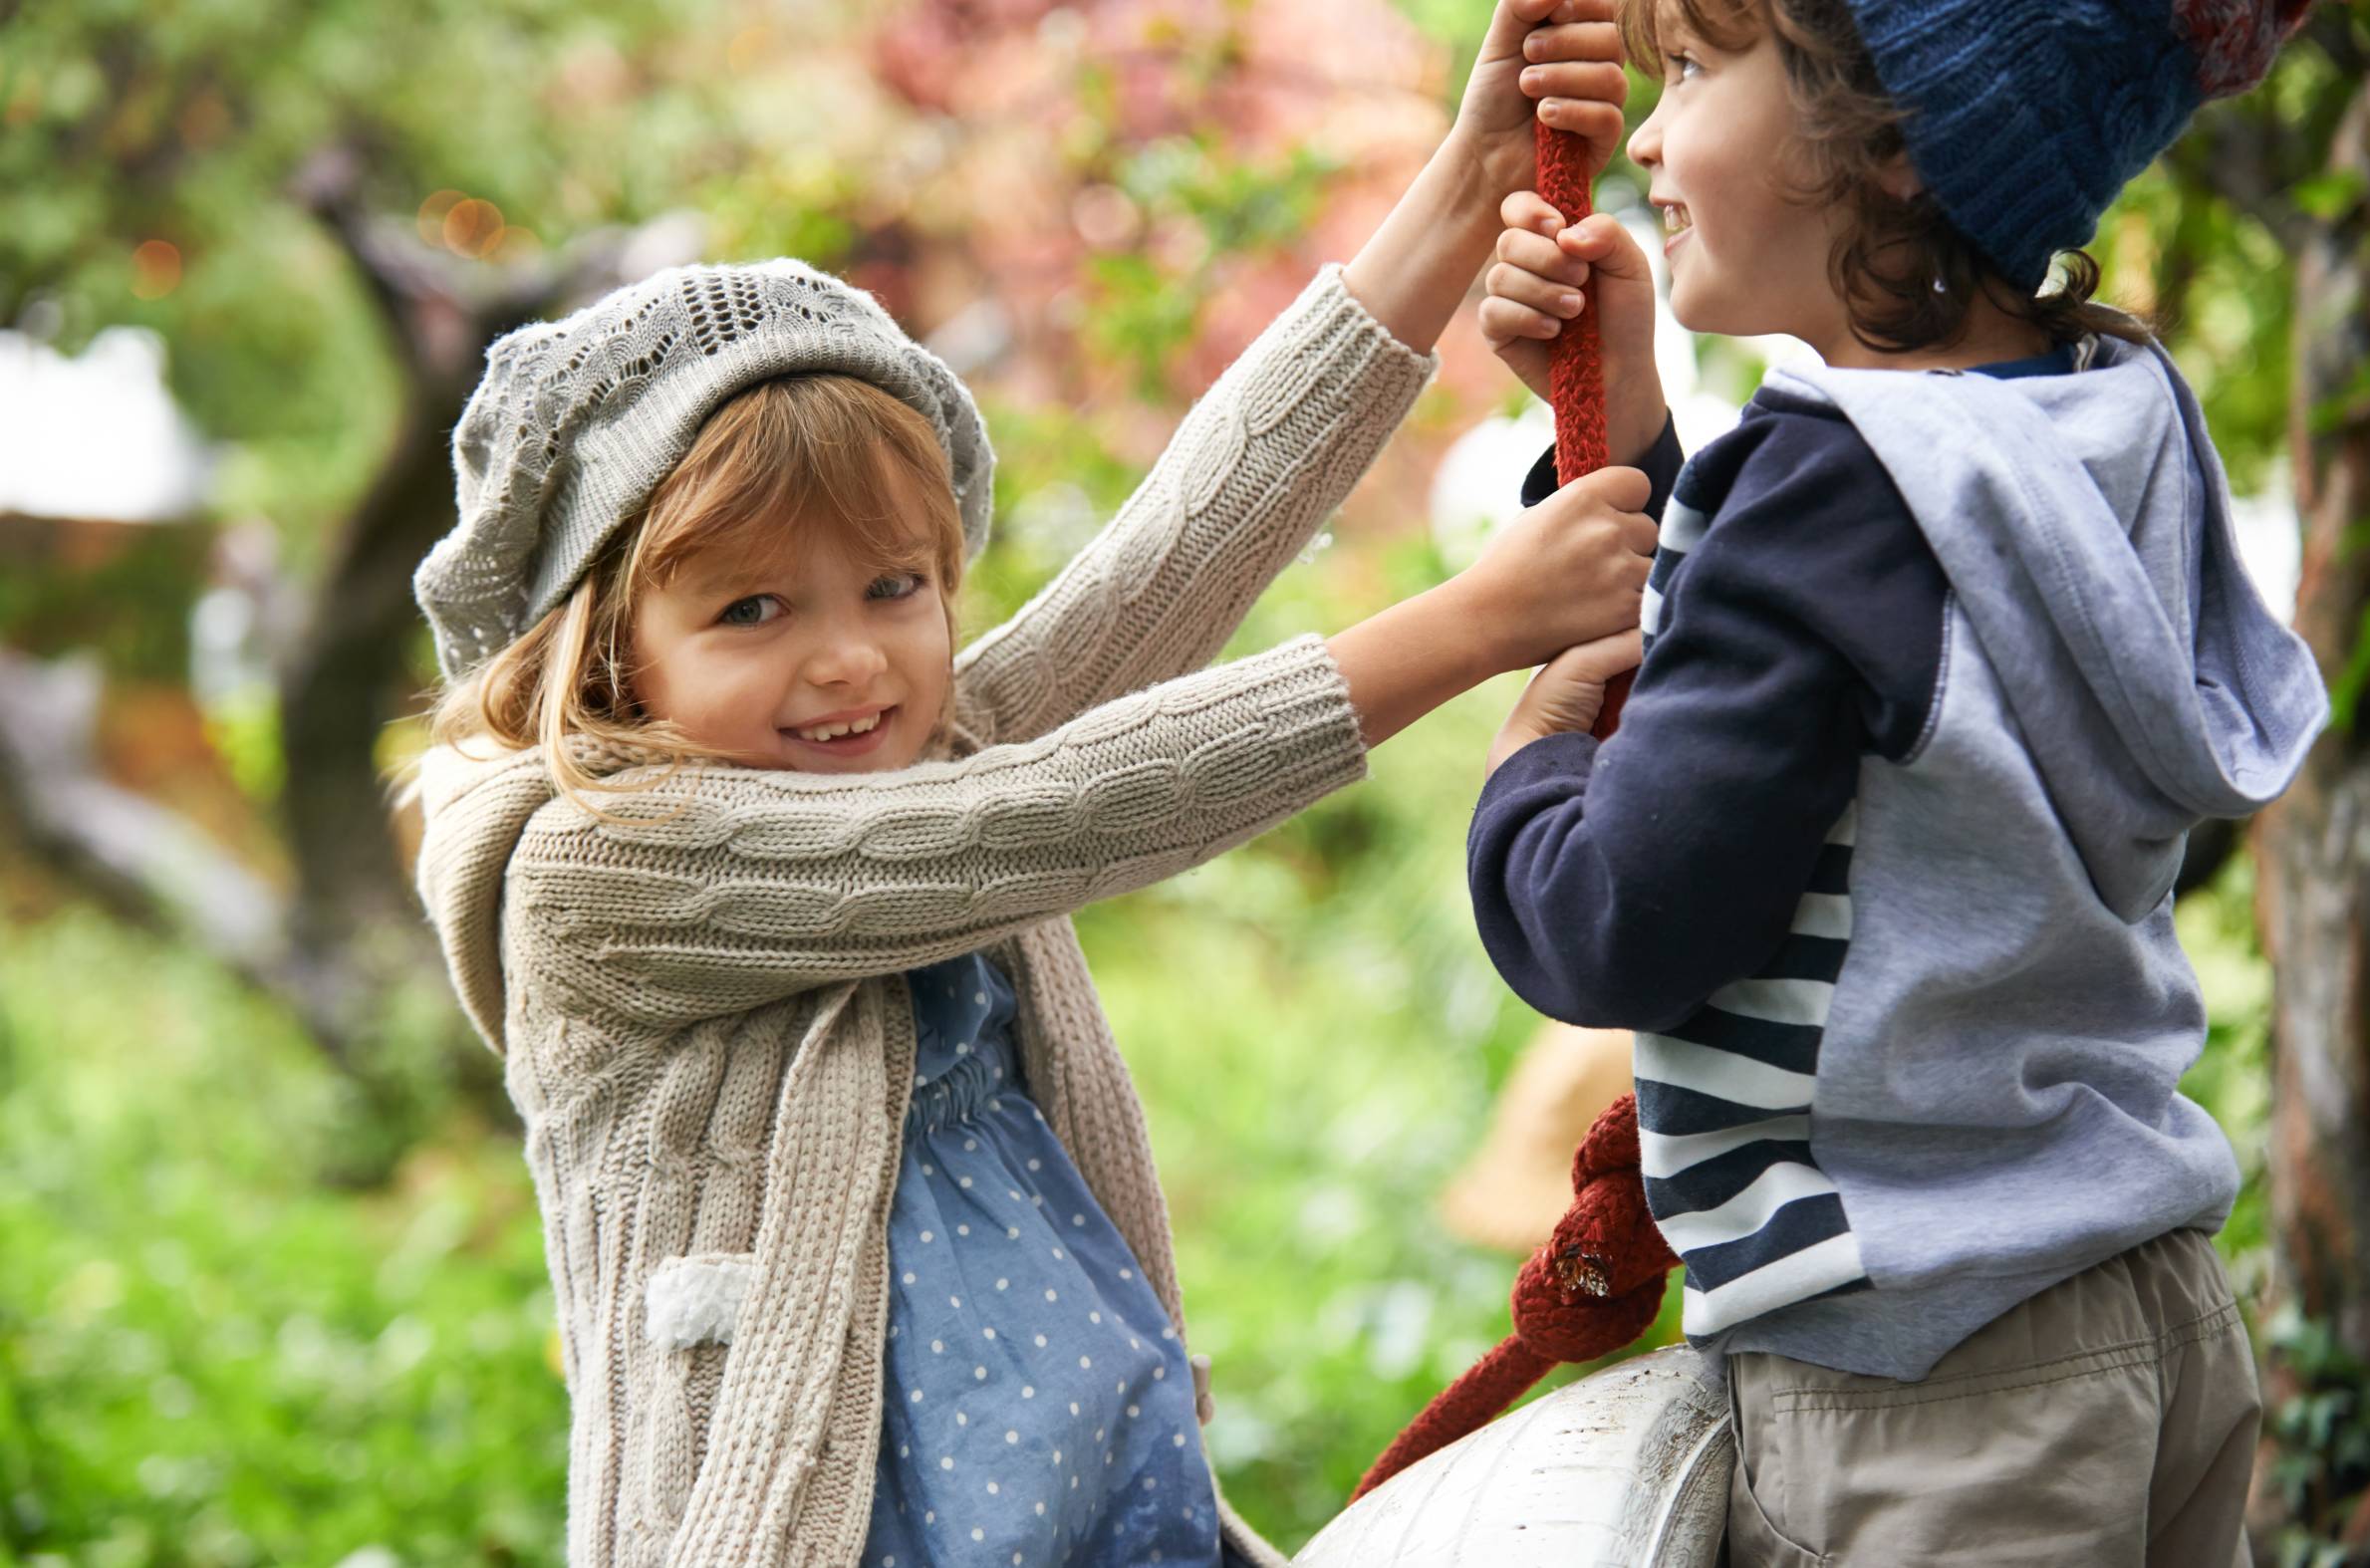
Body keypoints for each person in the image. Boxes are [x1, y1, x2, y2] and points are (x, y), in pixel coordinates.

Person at [402, 3, 1672, 1561]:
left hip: (1118, 1513)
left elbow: (1176, 558)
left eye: (894, 586)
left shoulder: (905, 749)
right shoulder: (594, 876)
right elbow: (1052, 814)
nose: (848, 660)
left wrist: (1472, 172)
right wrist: (1475, 623)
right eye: (752, 609)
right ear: (605, 661)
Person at [1464, 0, 2326, 1561]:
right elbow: (1867, 709)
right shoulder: (2104, 417)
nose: (1648, 136)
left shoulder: (1828, 492)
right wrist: (1636, 437)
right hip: (2138, 1303)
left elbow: (1619, 919)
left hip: (1927, 1386)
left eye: (1698, 69)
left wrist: (1527, 765)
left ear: (1897, 142)